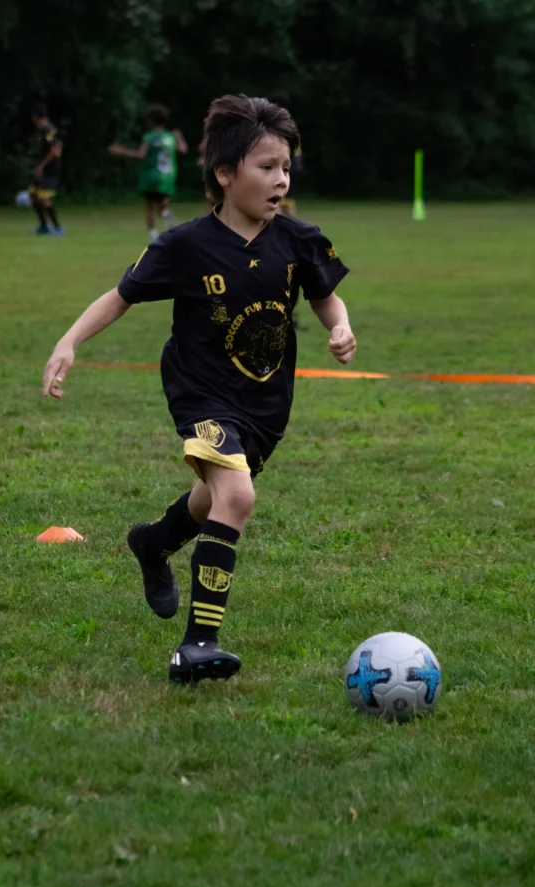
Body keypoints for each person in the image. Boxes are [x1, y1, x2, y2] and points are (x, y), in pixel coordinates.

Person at [43, 94, 356, 684]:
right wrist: (69, 341)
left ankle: (153, 543)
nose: (281, 179)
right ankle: (198, 645)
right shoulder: (185, 246)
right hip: (201, 394)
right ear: (225, 173)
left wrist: (339, 327)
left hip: (266, 404)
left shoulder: (299, 239)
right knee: (236, 495)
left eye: (286, 167)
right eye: (267, 167)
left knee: (212, 498)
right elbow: (121, 296)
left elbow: (326, 298)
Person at [109, 103, 188, 240]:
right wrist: (179, 138)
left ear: (150, 120)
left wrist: (121, 150)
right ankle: (172, 224)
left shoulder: (149, 137)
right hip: (168, 176)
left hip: (151, 176)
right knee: (162, 207)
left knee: (149, 207)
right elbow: (183, 150)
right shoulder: (169, 137)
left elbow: (141, 154)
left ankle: (154, 236)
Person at [29, 103, 64, 236]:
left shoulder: (49, 130)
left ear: (35, 117)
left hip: (50, 169)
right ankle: (43, 226)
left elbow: (56, 151)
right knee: (33, 195)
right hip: (44, 168)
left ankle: (58, 228)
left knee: (44, 198)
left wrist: (42, 166)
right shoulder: (44, 129)